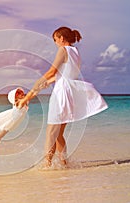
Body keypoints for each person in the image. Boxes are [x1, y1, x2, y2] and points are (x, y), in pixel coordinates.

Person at [17, 26, 108, 167]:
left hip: (62, 94)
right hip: (69, 92)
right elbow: (66, 74)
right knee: (58, 134)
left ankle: (47, 165)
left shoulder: (63, 50)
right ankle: (64, 164)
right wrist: (48, 82)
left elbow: (52, 71)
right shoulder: (76, 52)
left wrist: (37, 83)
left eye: (55, 39)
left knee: (51, 133)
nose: (55, 43)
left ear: (61, 38)